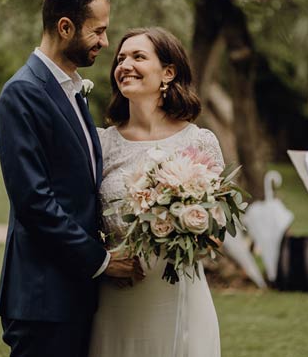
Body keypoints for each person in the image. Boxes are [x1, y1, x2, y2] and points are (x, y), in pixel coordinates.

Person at [0, 0, 143, 357]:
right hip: (43, 298)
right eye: (98, 31)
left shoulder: (74, 90)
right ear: (65, 27)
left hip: (74, 293)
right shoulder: (23, 93)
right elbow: (35, 203)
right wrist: (102, 261)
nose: (105, 42)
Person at [88, 27, 222, 356]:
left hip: (180, 295)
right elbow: (82, 217)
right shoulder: (102, 143)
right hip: (119, 294)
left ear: (168, 72)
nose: (124, 65)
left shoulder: (200, 141)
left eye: (138, 57)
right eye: (120, 58)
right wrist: (103, 260)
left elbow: (217, 228)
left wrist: (195, 230)